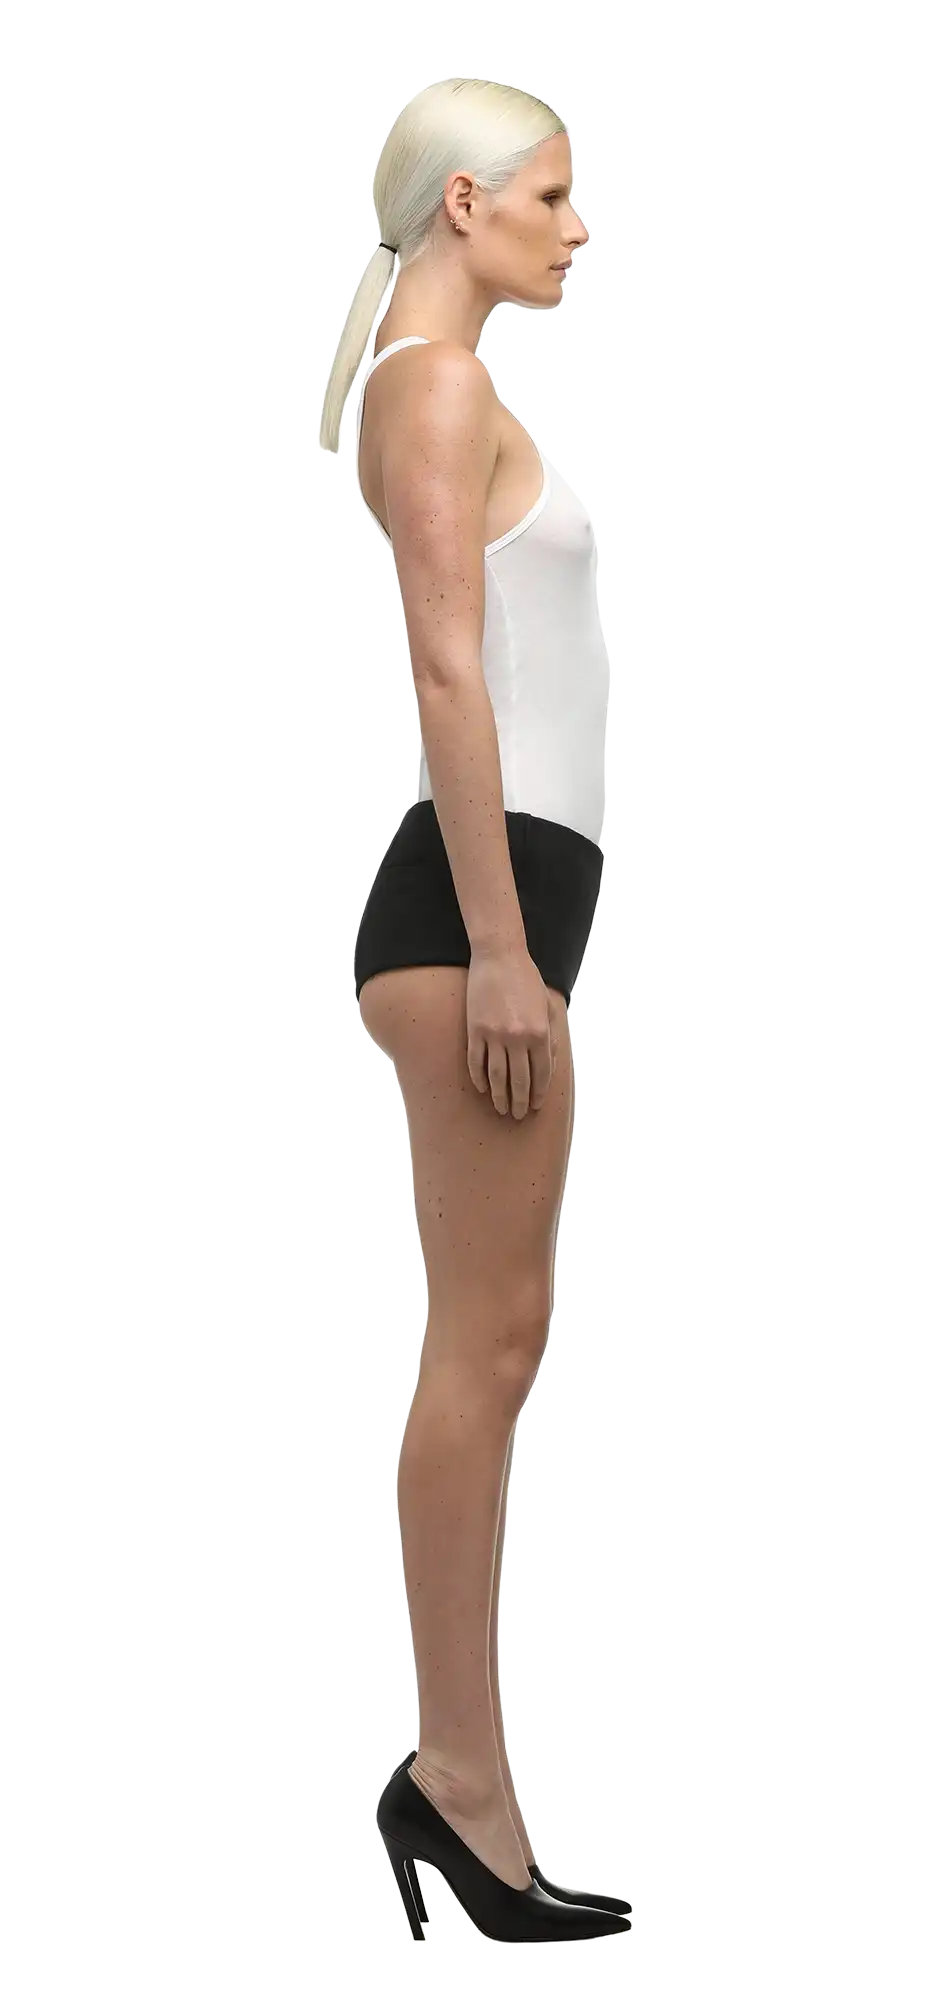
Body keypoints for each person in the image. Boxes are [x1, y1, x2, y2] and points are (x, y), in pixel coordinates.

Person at [320, 79, 628, 1944]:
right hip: (471, 918)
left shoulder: (451, 384)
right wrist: (504, 951)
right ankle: (457, 1785)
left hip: (498, 908)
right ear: (464, 204)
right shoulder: (430, 386)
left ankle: (462, 1781)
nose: (579, 230)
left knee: (498, 1340)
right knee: (484, 1346)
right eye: (555, 196)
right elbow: (446, 668)